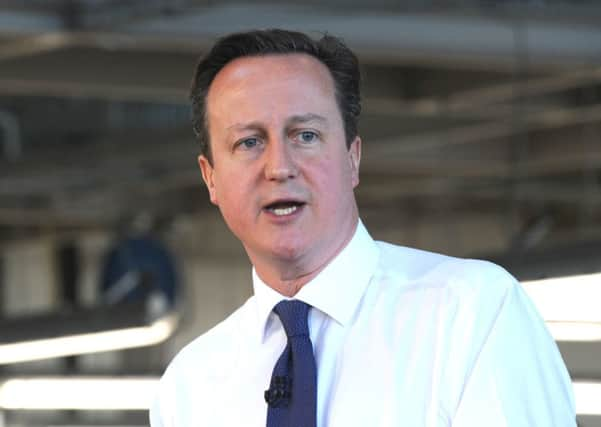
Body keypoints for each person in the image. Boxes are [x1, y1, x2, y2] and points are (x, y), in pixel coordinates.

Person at [150, 29, 576, 426]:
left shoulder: (470, 314)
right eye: (249, 142)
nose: (279, 167)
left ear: (353, 158)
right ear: (210, 178)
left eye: (306, 136)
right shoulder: (190, 384)